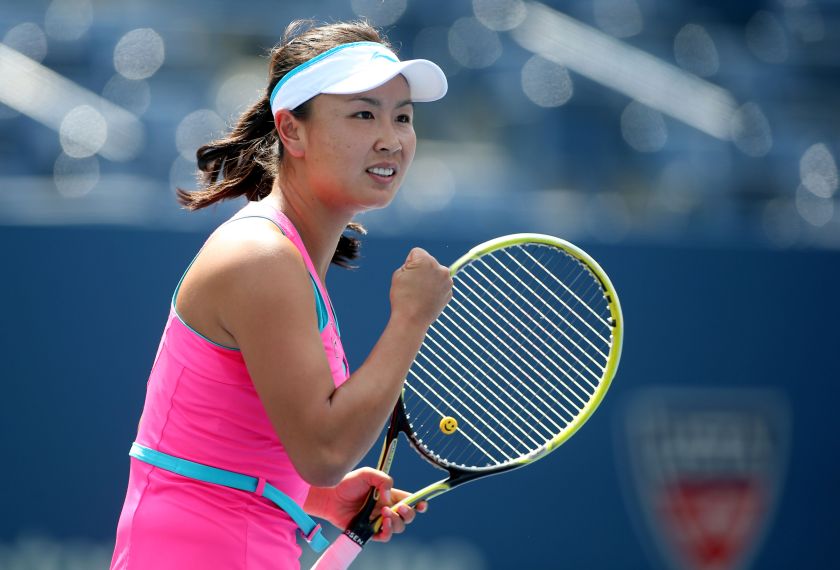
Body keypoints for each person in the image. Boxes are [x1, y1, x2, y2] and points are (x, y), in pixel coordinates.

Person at [110, 20, 452, 570]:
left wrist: (311, 497)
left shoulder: (280, 256)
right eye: (364, 113)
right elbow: (323, 453)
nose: (391, 137)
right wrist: (412, 319)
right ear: (292, 131)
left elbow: (218, 444)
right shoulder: (262, 259)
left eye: (403, 116)